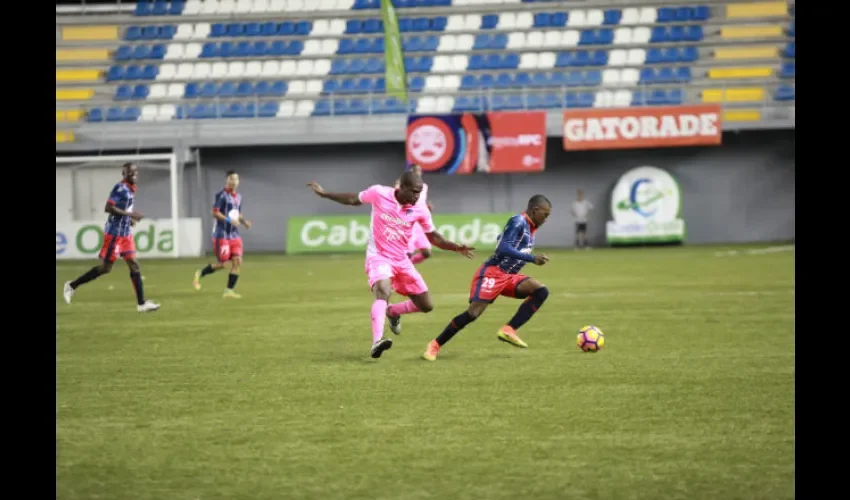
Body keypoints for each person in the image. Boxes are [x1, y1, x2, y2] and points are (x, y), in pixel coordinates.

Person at [307, 171, 475, 359]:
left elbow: (433, 236)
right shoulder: (379, 193)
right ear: (400, 188)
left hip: (402, 260)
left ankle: (393, 312)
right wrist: (325, 194)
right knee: (383, 290)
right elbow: (354, 199)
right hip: (378, 256)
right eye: (413, 192)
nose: (417, 196)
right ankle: (377, 341)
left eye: (419, 192)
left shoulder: (419, 209)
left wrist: (455, 247)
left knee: (426, 305)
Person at [422, 195, 552, 361]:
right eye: (545, 214)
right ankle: (435, 344)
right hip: (493, 272)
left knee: (540, 291)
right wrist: (533, 259)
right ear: (535, 210)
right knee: (473, 313)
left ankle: (509, 329)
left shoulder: (530, 228)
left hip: (509, 276)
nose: (546, 219)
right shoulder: (518, 221)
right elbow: (503, 247)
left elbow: (502, 240)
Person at [63, 163, 161, 312]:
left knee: (134, 264)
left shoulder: (131, 189)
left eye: (135, 172)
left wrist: (130, 220)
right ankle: (71, 285)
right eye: (130, 172)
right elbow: (108, 208)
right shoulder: (120, 188)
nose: (133, 174)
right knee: (105, 268)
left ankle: (141, 304)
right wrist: (130, 215)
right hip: (114, 234)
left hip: (125, 234)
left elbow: (124, 208)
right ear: (124, 174)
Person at [193, 170, 253, 298]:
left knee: (237, 261)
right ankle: (201, 273)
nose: (234, 181)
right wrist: (228, 220)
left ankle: (229, 291)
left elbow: (238, 213)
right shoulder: (221, 195)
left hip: (234, 235)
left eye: (236, 179)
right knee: (224, 264)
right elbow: (214, 212)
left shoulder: (239, 197)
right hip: (222, 235)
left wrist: (244, 222)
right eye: (231, 179)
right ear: (227, 180)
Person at [395, 164, 435, 265]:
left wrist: (427, 208)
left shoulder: (424, 187)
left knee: (426, 252)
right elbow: (396, 200)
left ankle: (408, 265)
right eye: (417, 170)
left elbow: (420, 203)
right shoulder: (402, 185)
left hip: (419, 223)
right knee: (408, 252)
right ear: (411, 172)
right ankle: (403, 269)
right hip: (408, 221)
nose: (419, 173)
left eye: (420, 171)